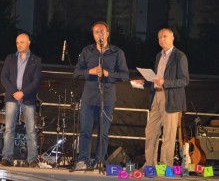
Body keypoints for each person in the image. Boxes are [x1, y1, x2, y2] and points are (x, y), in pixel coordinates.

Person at [73, 21, 129, 170]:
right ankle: (83, 160)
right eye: (97, 32)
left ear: (108, 34)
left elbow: (124, 75)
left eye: (102, 32)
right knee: (85, 129)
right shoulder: (87, 51)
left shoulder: (117, 52)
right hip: (89, 98)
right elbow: (76, 72)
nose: (100, 35)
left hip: (107, 98)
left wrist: (108, 74)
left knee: (103, 132)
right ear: (93, 35)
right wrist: (89, 72)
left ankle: (99, 161)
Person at [133, 28, 189, 167]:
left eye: (165, 36)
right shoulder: (159, 56)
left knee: (168, 136)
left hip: (171, 98)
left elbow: (184, 80)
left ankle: (165, 166)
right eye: (159, 37)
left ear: (172, 38)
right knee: (151, 132)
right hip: (156, 96)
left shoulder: (179, 56)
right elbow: (157, 78)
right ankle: (150, 165)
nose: (162, 39)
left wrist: (166, 82)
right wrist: (145, 83)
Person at [0, 33, 42, 168]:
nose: (19, 45)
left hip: (28, 98)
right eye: (17, 42)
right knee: (9, 128)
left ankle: (32, 160)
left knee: (30, 130)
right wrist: (14, 92)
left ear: (28, 43)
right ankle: (7, 157)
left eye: (22, 42)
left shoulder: (36, 60)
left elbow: (36, 81)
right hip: (12, 98)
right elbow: (4, 77)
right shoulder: (10, 58)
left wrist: (23, 92)